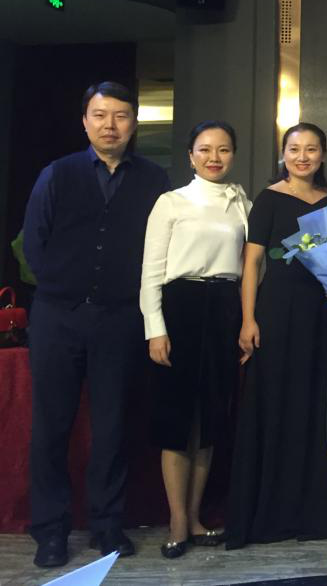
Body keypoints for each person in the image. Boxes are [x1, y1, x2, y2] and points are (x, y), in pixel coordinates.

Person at [23, 82, 170, 568]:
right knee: (51, 427)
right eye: (100, 115)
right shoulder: (57, 173)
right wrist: (65, 288)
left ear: (134, 123)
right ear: (85, 121)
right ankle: (50, 530)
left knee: (112, 426)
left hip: (120, 318)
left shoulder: (154, 179)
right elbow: (33, 244)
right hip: (58, 317)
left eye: (121, 116)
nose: (110, 125)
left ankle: (107, 525)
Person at [140, 121, 251, 558]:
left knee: (210, 422)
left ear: (233, 155)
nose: (214, 157)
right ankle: (176, 520)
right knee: (176, 420)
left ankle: (195, 516)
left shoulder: (241, 202)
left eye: (223, 149)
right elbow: (151, 271)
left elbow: (252, 266)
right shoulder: (171, 202)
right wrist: (155, 328)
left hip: (224, 308)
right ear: (190, 155)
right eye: (205, 149)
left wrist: (245, 320)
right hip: (180, 308)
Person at [225, 123, 327, 549]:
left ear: (322, 154)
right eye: (294, 149)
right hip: (274, 311)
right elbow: (252, 264)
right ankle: (269, 511)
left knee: (310, 406)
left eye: (311, 149)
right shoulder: (269, 199)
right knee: (272, 403)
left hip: (318, 312)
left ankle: (307, 508)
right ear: (283, 154)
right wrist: (247, 319)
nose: (302, 157)